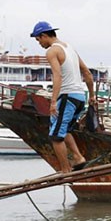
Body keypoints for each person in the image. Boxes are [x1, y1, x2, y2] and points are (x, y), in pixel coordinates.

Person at [30, 21, 96, 173]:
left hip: (67, 96)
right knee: (63, 128)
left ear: (44, 35)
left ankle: (65, 171)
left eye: (38, 39)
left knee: (55, 136)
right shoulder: (70, 48)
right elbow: (87, 73)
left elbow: (57, 76)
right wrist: (92, 96)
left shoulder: (52, 51)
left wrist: (53, 102)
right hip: (80, 97)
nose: (39, 43)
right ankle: (78, 157)